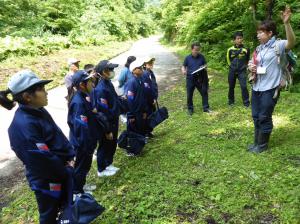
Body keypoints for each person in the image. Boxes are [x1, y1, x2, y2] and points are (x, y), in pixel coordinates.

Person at [0, 70, 75, 223]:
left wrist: (69, 155)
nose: (46, 93)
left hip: (60, 170)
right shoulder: (23, 126)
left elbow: (57, 134)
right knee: (49, 213)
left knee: (64, 204)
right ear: (28, 97)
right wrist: (65, 170)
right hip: (47, 180)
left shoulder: (39, 110)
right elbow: (42, 160)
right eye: (41, 89)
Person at [247, 7, 296, 153]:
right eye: (257, 32)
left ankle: (262, 146)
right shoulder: (259, 48)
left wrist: (287, 24)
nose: (258, 35)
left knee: (264, 116)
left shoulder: (278, 45)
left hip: (271, 88)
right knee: (256, 116)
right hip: (256, 87)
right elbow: (253, 62)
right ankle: (256, 143)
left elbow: (292, 42)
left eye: (261, 32)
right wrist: (251, 66)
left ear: (270, 33)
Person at [67, 70, 98, 194]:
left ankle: (81, 185)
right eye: (89, 81)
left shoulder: (84, 97)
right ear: (81, 85)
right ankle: (77, 191)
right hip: (81, 143)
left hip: (86, 141)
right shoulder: (78, 102)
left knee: (85, 165)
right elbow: (80, 128)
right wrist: (87, 145)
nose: (92, 83)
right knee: (81, 166)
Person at [92, 60, 120, 177]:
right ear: (103, 72)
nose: (112, 72)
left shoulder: (108, 83)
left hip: (113, 119)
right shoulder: (100, 89)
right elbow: (103, 111)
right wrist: (107, 129)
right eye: (110, 69)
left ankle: (108, 163)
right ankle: (101, 168)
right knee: (105, 144)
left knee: (112, 143)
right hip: (107, 122)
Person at [182, 42, 211, 115]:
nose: (197, 51)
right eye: (195, 50)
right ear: (192, 49)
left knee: (204, 93)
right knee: (189, 95)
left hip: (200, 79)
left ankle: (206, 108)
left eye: (198, 50)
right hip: (190, 79)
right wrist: (183, 70)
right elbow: (183, 66)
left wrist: (204, 67)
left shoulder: (202, 57)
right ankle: (190, 109)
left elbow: (205, 65)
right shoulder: (187, 58)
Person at [226, 31, 250, 107]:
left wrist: (243, 67)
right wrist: (232, 67)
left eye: (241, 38)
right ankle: (231, 101)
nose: (239, 40)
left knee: (244, 86)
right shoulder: (230, 50)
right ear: (234, 40)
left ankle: (246, 103)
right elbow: (228, 60)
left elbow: (247, 60)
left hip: (242, 71)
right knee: (231, 86)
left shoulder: (246, 49)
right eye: (238, 38)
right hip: (232, 70)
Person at [126, 59, 148, 136]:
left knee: (142, 128)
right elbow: (129, 100)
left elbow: (143, 97)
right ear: (134, 70)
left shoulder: (140, 80)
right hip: (135, 112)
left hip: (141, 111)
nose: (142, 69)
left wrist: (145, 111)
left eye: (141, 67)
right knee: (136, 131)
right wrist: (131, 115)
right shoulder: (131, 82)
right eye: (139, 67)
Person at [142, 57, 158, 138]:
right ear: (144, 65)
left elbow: (153, 86)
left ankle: (149, 132)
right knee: (148, 116)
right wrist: (152, 100)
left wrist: (155, 97)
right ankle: (146, 133)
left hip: (152, 98)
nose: (151, 64)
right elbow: (147, 89)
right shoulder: (145, 74)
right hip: (148, 101)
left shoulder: (150, 72)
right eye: (149, 63)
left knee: (152, 114)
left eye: (152, 63)